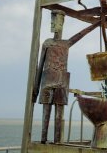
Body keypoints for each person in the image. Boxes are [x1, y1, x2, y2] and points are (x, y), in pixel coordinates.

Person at [33, 10, 99, 143]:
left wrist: (97, 23)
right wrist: (35, 88)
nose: (53, 24)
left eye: (56, 21)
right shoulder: (47, 43)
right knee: (46, 113)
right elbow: (40, 66)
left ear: (62, 23)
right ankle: (43, 139)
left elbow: (81, 34)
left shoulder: (66, 44)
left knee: (59, 114)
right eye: (52, 21)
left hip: (61, 83)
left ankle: (57, 141)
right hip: (47, 82)